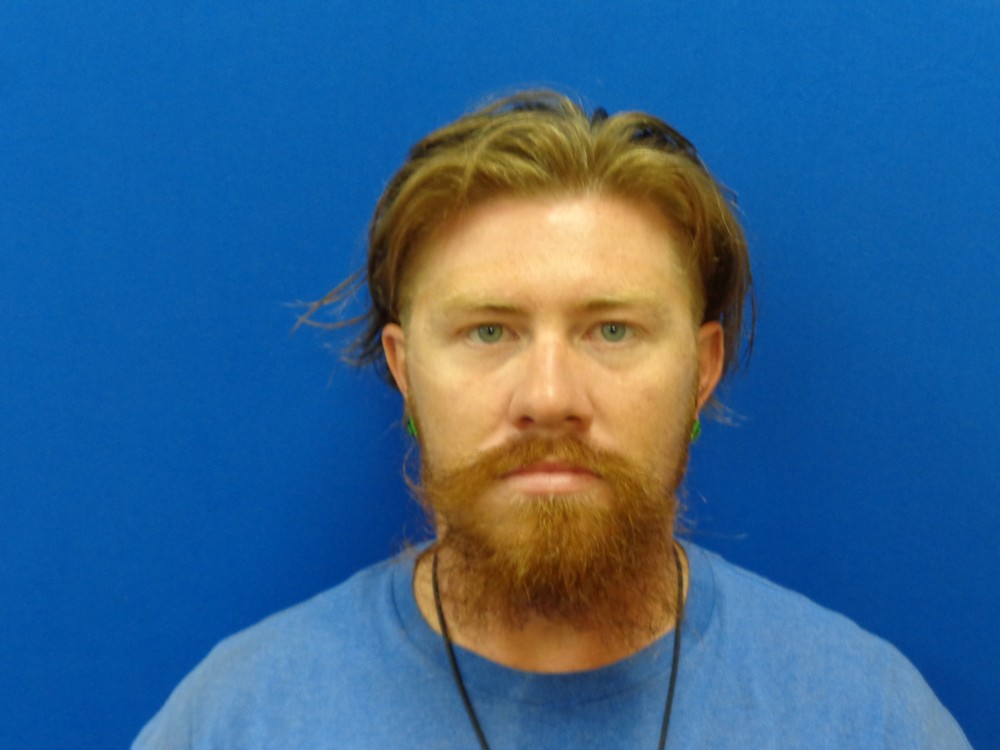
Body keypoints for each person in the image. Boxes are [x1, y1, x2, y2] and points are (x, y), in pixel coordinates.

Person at [133, 90, 970, 749]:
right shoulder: (241, 721)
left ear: (703, 370)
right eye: (488, 331)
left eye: (612, 330)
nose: (549, 396)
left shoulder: (867, 719)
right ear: (405, 372)